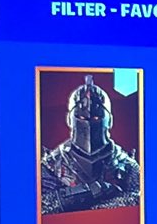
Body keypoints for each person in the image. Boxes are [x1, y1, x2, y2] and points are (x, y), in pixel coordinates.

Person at [39, 75, 141, 215]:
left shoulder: (126, 165)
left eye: (97, 117)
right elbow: (41, 207)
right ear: (70, 120)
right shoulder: (52, 164)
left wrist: (92, 207)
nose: (88, 123)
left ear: (109, 120)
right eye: (81, 117)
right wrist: (95, 190)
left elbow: (141, 201)